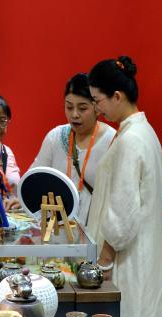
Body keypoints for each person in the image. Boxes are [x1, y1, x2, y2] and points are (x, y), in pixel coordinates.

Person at [86, 56, 162, 317]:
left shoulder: (130, 139)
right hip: (142, 248)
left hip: (128, 254)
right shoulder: (142, 132)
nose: (97, 109)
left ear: (117, 96)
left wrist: (104, 261)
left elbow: (122, 211)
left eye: (97, 101)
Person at [31, 73, 115, 224]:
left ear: (97, 108)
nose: (74, 114)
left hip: (95, 228)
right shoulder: (55, 137)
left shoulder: (112, 141)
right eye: (69, 107)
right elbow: (34, 177)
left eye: (82, 108)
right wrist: (22, 196)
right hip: (57, 227)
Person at [0, 89, 21, 210]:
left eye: (2, 121)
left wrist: (17, 200)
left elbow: (15, 191)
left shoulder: (6, 151)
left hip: (8, 216)